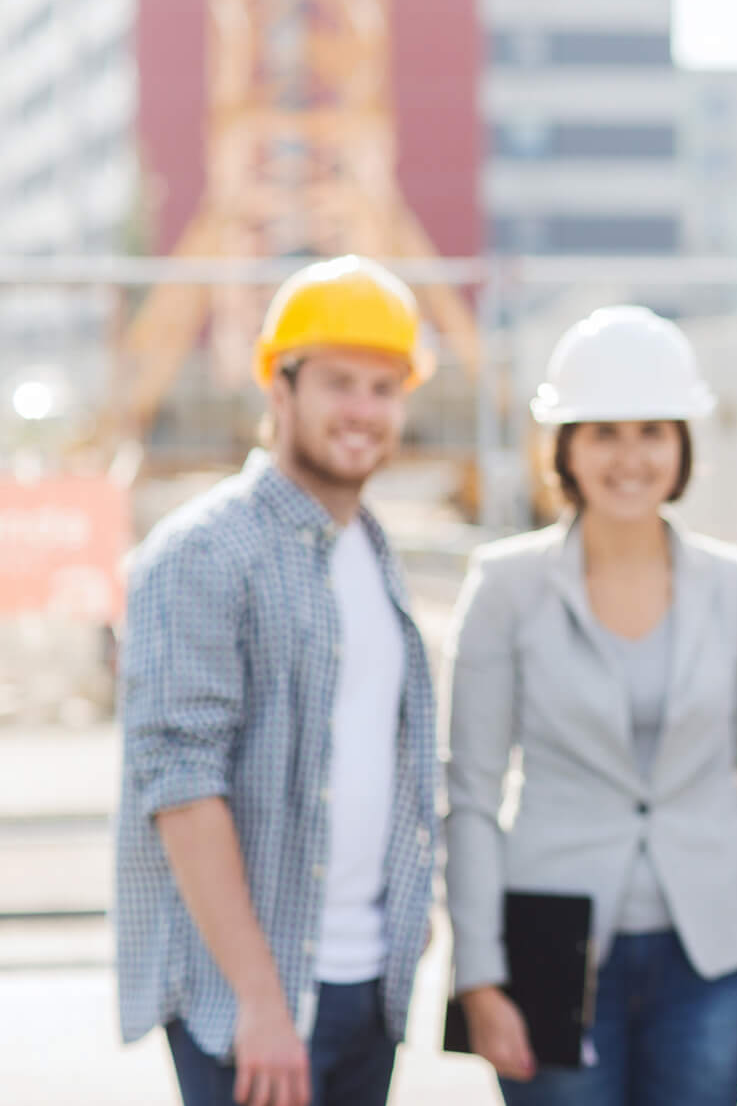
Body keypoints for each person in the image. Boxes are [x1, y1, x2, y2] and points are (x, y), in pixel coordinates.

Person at [444, 306, 737, 1106]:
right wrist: (478, 977)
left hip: (710, 956)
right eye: (603, 433)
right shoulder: (505, 588)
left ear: (683, 447)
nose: (630, 457)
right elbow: (470, 796)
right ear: (565, 449)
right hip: (547, 945)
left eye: (652, 431)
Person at [114, 256, 441, 1106]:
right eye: (339, 383)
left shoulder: (370, 547)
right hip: (256, 1003)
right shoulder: (202, 552)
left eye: (384, 387)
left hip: (367, 986)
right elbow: (181, 784)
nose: (363, 410)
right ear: (279, 387)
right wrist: (261, 1001)